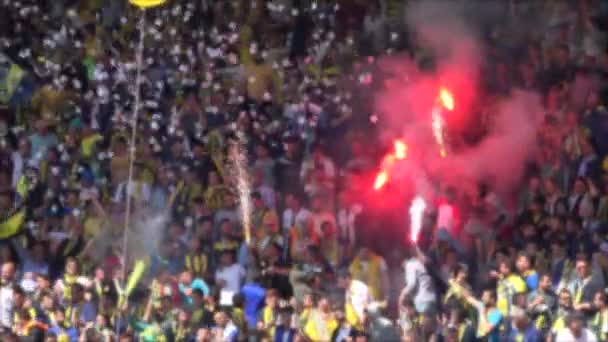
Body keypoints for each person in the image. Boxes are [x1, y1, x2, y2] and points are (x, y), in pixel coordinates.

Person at [398, 247, 436, 314]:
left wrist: (401, 297)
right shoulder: (420, 263)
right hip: (432, 299)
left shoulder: (410, 264)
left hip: (422, 300)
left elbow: (412, 284)